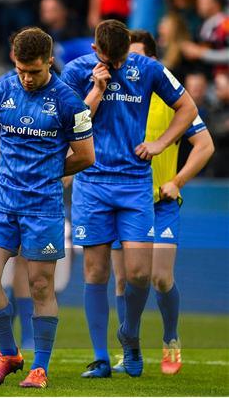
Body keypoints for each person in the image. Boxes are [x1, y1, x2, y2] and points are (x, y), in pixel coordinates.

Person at [61, 19, 198, 378]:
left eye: (122, 59)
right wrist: (96, 91)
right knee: (96, 271)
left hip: (136, 182)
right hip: (92, 182)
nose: (119, 66)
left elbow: (188, 108)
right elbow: (68, 125)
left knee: (138, 273)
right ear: (96, 50)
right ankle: (102, 358)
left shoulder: (149, 68)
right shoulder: (77, 71)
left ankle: (130, 335)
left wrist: (160, 143)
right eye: (112, 59)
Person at [0, 27, 95, 388]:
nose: (27, 78)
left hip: (43, 205)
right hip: (4, 201)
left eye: (35, 71)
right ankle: (9, 353)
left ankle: (39, 367)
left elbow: (86, 156)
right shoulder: (0, 91)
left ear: (49, 63)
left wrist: (46, 173)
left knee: (40, 286)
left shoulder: (69, 101)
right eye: (22, 70)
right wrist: (12, 171)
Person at [111, 29, 215, 376]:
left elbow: (205, 145)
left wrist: (177, 180)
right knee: (123, 280)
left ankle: (171, 338)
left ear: (152, 61)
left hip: (159, 202)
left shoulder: (170, 100)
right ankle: (130, 349)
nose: (129, 65)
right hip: (121, 200)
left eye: (137, 58)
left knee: (159, 277)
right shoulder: (112, 96)